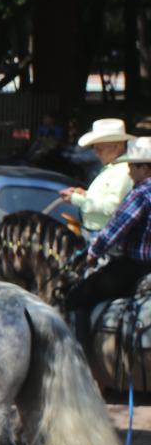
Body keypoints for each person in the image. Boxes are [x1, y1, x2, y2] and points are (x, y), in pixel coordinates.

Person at [64, 137, 151, 348]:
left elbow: (115, 228)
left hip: (137, 266)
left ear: (145, 167)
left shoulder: (140, 193)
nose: (129, 171)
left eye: (132, 166)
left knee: (76, 298)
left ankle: (81, 359)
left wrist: (93, 252)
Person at [59, 118, 134, 234]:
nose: (96, 153)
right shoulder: (114, 168)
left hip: (104, 233)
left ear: (117, 147)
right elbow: (105, 197)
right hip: (99, 231)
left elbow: (111, 207)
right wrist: (86, 194)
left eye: (99, 149)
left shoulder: (122, 171)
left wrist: (77, 199)